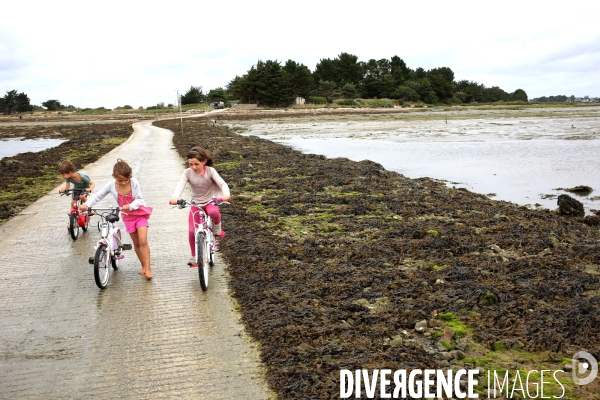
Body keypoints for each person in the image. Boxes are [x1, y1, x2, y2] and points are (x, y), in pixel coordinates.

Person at [81, 159, 153, 280]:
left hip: (139, 214)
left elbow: (140, 200)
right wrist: (87, 204)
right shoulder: (111, 185)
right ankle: (143, 265)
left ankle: (148, 268)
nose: (124, 183)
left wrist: (130, 205)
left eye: (126, 179)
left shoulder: (133, 183)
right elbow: (98, 195)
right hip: (127, 217)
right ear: (113, 176)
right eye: (120, 180)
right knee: (136, 243)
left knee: (143, 241)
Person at [169, 147, 230, 267]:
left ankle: (217, 229)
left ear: (204, 161)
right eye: (190, 164)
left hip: (211, 200)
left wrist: (226, 194)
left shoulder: (210, 171)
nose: (193, 167)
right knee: (192, 230)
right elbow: (180, 185)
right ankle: (194, 256)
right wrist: (175, 197)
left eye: (196, 164)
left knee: (213, 212)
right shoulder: (187, 172)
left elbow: (222, 183)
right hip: (196, 203)